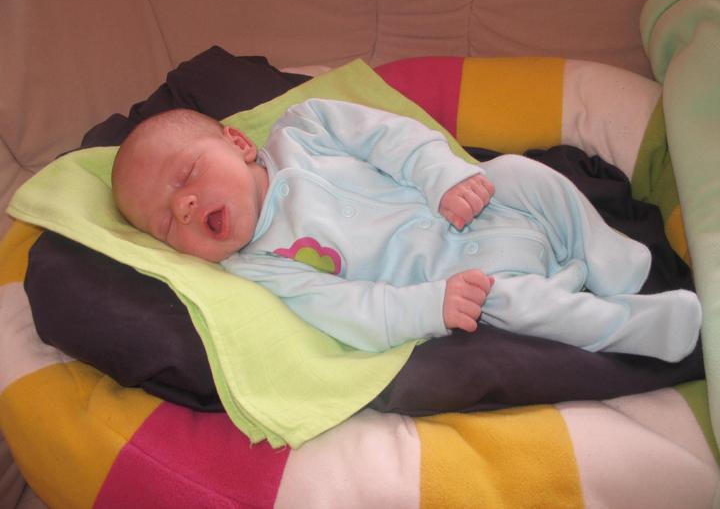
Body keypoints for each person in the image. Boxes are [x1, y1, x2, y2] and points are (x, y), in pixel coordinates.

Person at [112, 98, 701, 361]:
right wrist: (429, 306)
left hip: (478, 204)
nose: (184, 206)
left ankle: (608, 255)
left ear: (239, 143)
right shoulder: (260, 266)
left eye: (186, 175)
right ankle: (638, 327)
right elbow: (345, 310)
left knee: (521, 173)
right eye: (166, 223)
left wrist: (442, 176)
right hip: (469, 279)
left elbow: (391, 137)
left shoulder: (306, 128)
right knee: (517, 307)